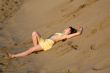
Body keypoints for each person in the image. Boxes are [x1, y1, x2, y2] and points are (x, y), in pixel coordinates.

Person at [8, 25, 83, 58]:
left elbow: (78, 34)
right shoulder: (60, 33)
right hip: (44, 41)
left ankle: (13, 56)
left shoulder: (64, 36)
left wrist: (80, 30)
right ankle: (35, 49)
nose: (66, 28)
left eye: (68, 29)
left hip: (46, 45)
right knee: (34, 33)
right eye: (67, 27)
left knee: (29, 51)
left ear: (69, 32)